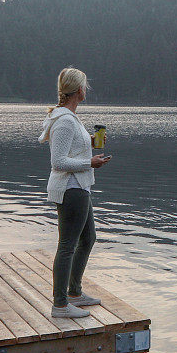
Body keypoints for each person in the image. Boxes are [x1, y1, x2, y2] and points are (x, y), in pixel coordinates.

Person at [37, 67, 111, 318]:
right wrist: (89, 162)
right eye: (85, 87)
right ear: (79, 90)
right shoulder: (65, 120)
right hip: (70, 189)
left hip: (80, 186)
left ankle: (75, 293)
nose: (86, 90)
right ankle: (60, 304)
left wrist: (90, 142)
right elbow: (58, 161)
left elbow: (70, 147)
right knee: (67, 245)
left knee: (88, 239)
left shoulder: (69, 117)